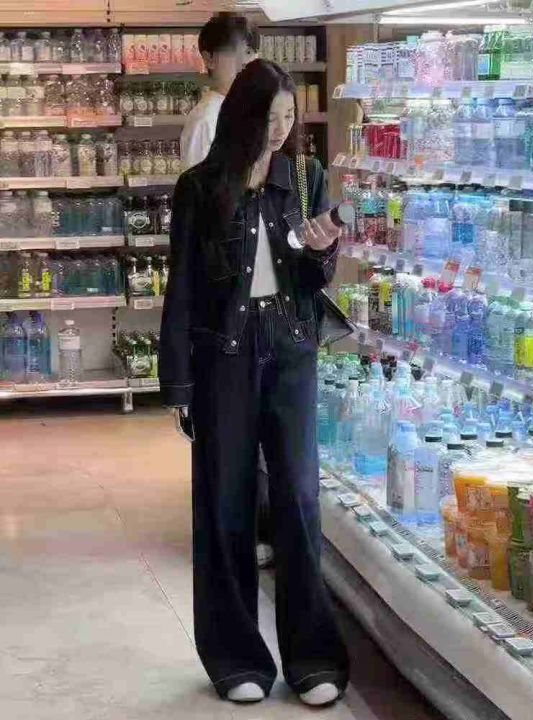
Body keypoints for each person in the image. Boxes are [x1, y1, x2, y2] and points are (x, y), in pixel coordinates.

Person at [160, 59, 349, 706]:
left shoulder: (305, 177)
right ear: (243, 115)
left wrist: (322, 250)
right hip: (224, 361)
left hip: (292, 356)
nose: (280, 130)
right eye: (270, 117)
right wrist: (178, 383)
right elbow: (182, 287)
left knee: (297, 500)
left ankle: (313, 657)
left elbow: (314, 280)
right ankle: (236, 657)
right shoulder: (200, 188)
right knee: (225, 505)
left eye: (288, 117)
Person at [181, 11, 274, 569]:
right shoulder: (208, 120)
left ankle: (250, 527)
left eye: (249, 55)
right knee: (230, 439)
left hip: (253, 300)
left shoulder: (250, 116)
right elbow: (205, 213)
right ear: (213, 59)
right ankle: (233, 535)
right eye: (237, 56)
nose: (244, 66)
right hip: (226, 304)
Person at [181, 12, 259, 170]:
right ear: (209, 59)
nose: (244, 62)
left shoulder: (248, 108)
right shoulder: (205, 120)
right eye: (234, 52)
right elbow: (197, 183)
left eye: (249, 52)